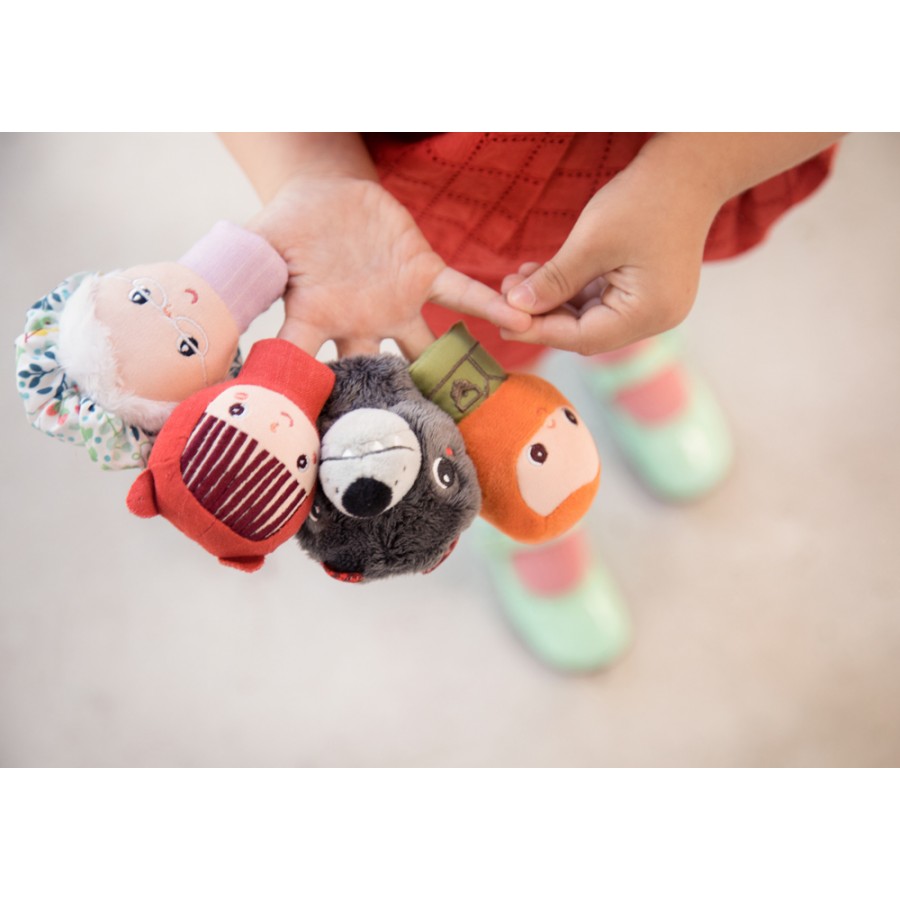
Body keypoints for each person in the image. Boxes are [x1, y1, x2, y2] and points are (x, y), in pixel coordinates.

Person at [220, 132, 841, 672]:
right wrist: (317, 173)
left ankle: (627, 351)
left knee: (630, 273)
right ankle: (513, 512)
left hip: (655, 150)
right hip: (429, 206)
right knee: (477, 346)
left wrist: (695, 173)